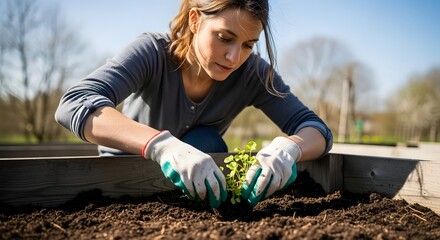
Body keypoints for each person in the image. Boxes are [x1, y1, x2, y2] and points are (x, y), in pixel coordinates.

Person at [55, 0, 333, 209]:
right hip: (121, 185)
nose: (234, 57)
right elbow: (74, 103)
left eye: (249, 44)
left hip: (191, 196)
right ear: (195, 20)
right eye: (225, 38)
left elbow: (316, 130)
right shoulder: (152, 53)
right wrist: (161, 145)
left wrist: (290, 149)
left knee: (206, 142)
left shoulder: (252, 74)